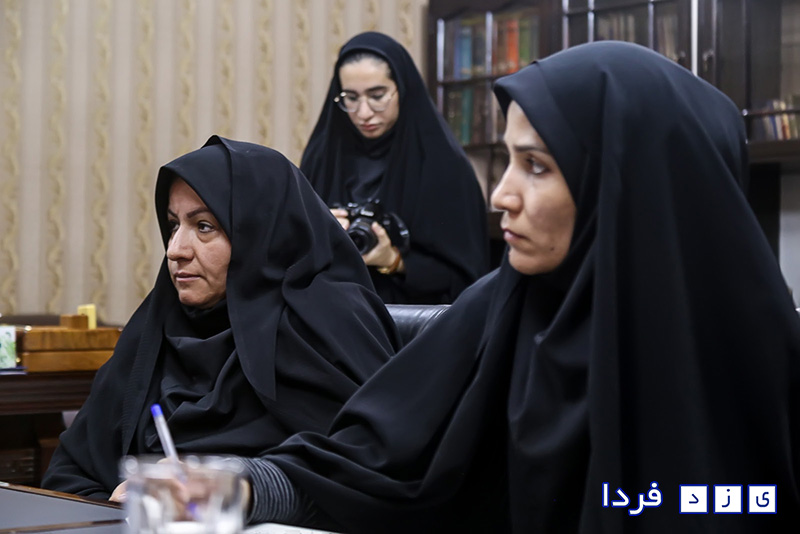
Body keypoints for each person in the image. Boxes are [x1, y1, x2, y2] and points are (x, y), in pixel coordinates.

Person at [235, 42, 800, 532]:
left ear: (626, 179)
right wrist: (246, 486)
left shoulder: (750, 348)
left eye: (537, 165)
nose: (501, 195)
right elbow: (366, 467)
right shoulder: (503, 307)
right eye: (509, 160)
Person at [40, 136, 400, 500]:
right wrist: (119, 508)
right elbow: (68, 475)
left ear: (261, 233)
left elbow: (374, 472)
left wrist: (231, 490)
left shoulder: (325, 321)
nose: (175, 250)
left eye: (204, 226)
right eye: (173, 225)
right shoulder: (156, 327)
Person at [300, 31, 489, 304]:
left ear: (402, 88)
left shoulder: (443, 166)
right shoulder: (322, 158)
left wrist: (394, 260)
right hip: (331, 311)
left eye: (377, 96)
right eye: (350, 97)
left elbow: (468, 279)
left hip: (413, 319)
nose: (363, 113)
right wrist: (320, 233)